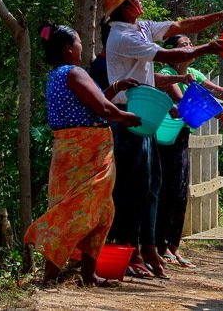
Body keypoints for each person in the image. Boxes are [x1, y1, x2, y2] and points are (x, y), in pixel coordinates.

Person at [102, 0, 223, 279]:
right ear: (125, 7)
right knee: (133, 189)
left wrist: (217, 16)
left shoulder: (139, 27)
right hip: (127, 116)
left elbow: (179, 25)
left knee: (151, 188)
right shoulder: (122, 37)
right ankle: (130, 249)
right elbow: (167, 56)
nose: (141, 2)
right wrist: (208, 48)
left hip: (143, 115)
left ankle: (148, 247)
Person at [23, 23, 142, 287]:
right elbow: (103, 109)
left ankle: (89, 276)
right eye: (77, 42)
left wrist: (116, 88)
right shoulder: (74, 72)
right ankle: (49, 278)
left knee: (100, 210)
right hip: (85, 151)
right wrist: (127, 117)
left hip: (70, 151)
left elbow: (94, 103)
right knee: (76, 211)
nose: (81, 47)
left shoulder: (57, 75)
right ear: (68, 49)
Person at [155, 34, 223, 268]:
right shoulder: (166, 74)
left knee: (182, 192)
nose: (191, 48)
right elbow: (185, 102)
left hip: (181, 137)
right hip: (165, 139)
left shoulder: (193, 74)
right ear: (171, 51)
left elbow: (215, 90)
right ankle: (160, 247)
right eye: (184, 45)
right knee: (168, 191)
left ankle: (173, 247)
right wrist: (219, 111)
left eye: (191, 44)